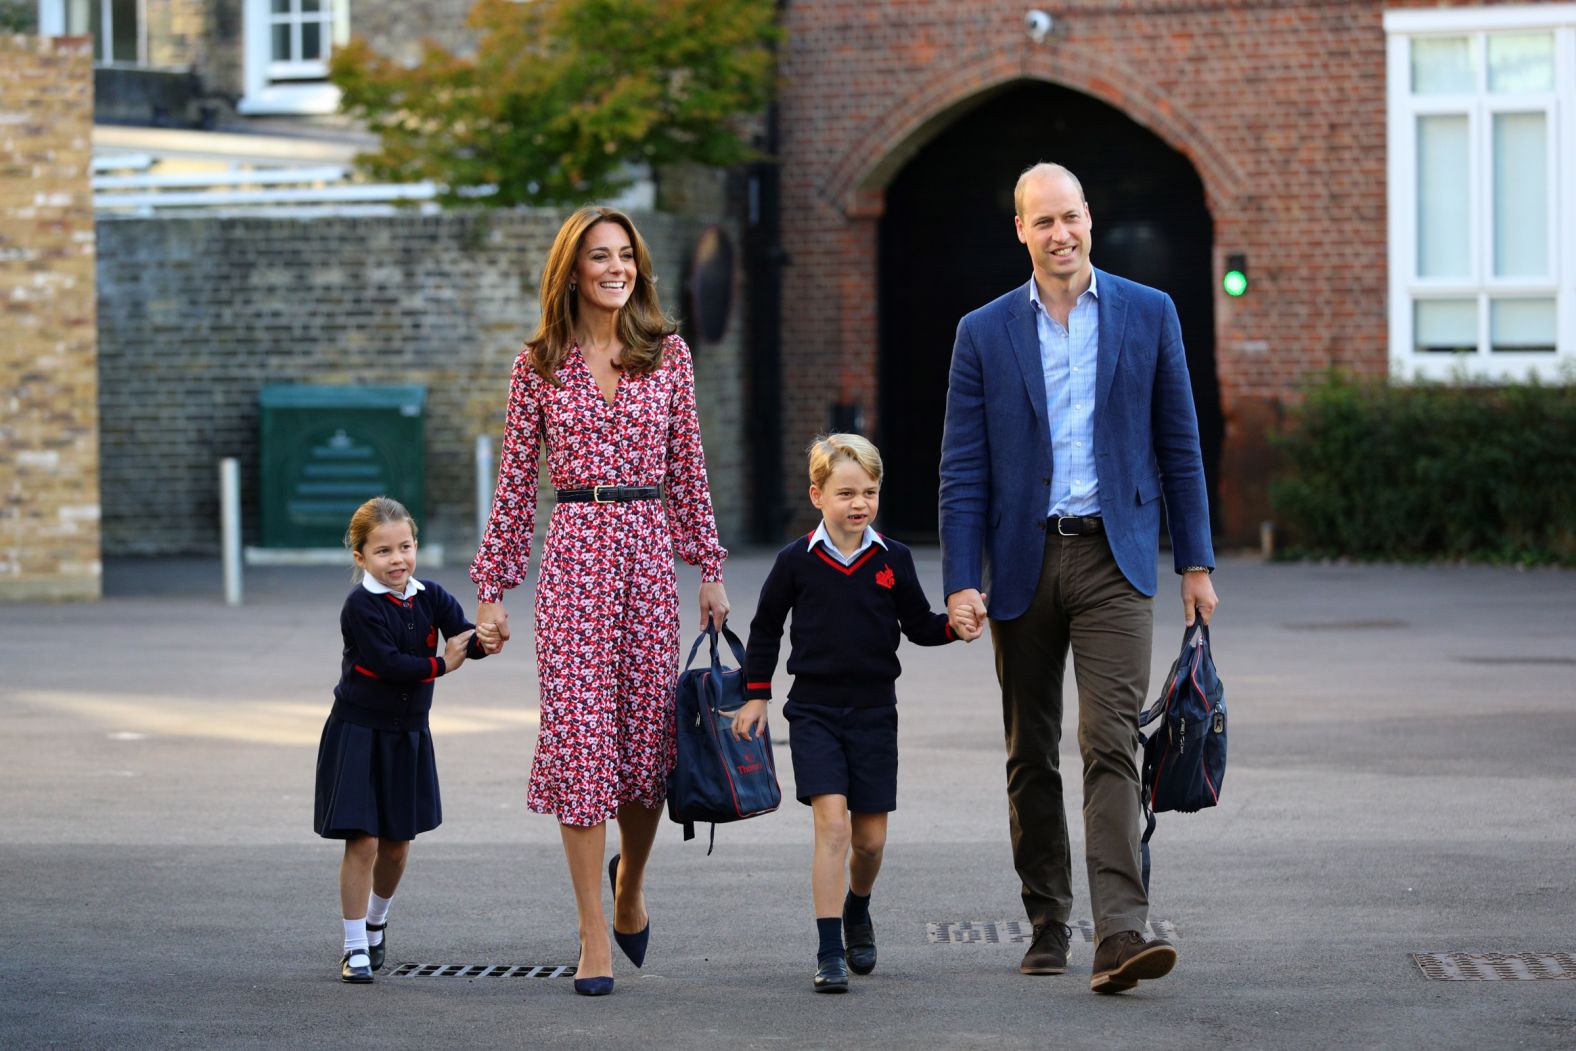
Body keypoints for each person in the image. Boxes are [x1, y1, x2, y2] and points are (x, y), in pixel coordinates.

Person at [938, 162, 1219, 995]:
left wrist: (1195, 562)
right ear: (1019, 231)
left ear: (1089, 218)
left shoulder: (1149, 311)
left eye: (1071, 218)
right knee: (1031, 752)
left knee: (1111, 742)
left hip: (1115, 557)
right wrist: (961, 579)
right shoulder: (982, 332)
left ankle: (1121, 932)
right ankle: (1048, 915)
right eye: (1042, 222)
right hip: (1022, 560)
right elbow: (962, 469)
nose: (1060, 234)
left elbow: (1181, 443)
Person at [469, 206, 730, 997]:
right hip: (575, 554)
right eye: (599, 257)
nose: (615, 268)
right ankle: (591, 932)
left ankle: (629, 887)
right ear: (572, 271)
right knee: (582, 743)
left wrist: (708, 566)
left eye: (625, 256)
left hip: (648, 551)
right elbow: (515, 486)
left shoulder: (668, 356)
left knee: (647, 750)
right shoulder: (538, 365)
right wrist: (492, 590)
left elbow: (689, 468)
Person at [737, 433, 961, 994]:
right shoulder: (796, 561)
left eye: (869, 491)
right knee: (832, 827)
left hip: (872, 713)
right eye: (845, 493)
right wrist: (757, 693)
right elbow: (765, 627)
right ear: (817, 495)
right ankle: (829, 948)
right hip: (812, 711)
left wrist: (953, 627)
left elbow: (918, 625)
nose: (858, 503)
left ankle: (858, 906)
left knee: (870, 842)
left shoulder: (894, 560)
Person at [313, 496, 487, 983]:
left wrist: (485, 640)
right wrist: (443, 664)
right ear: (361, 557)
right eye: (383, 551)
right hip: (359, 732)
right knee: (363, 841)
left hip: (408, 736)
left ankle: (375, 923)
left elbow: (463, 634)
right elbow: (389, 665)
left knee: (396, 846)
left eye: (405, 547)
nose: (397, 559)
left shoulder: (430, 595)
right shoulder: (360, 607)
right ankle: (353, 948)